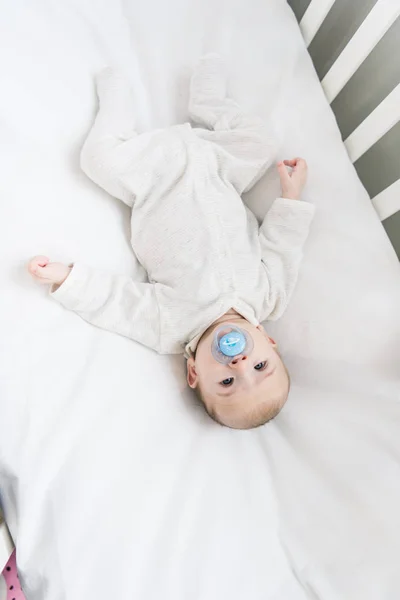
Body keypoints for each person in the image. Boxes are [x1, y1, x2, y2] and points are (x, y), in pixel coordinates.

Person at [28, 55, 314, 429]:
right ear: (269, 343)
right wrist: (291, 197)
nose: (240, 364)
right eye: (261, 366)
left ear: (193, 373)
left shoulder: (171, 326)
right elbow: (282, 246)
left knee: (97, 159)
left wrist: (66, 279)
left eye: (227, 382)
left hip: (154, 180)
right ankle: (208, 104)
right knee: (263, 140)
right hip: (219, 168)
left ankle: (117, 109)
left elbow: (118, 304)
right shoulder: (269, 297)